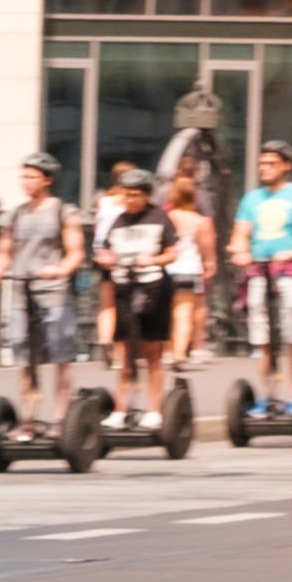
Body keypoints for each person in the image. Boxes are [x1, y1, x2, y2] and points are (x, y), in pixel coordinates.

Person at [0, 151, 87, 439]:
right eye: (23, 176)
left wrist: (60, 269)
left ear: (47, 180)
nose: (25, 181)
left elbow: (75, 252)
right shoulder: (16, 214)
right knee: (25, 358)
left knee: (60, 356)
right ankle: (28, 419)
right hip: (22, 292)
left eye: (31, 177)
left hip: (53, 294)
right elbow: (4, 252)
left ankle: (59, 418)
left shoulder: (63, 212)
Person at [228, 138, 292, 417]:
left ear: (286, 166)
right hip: (259, 272)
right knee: (263, 339)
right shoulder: (252, 199)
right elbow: (240, 235)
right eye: (261, 164)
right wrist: (239, 252)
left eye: (270, 164)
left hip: (288, 274)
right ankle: (266, 395)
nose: (264, 168)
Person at [94, 167, 180, 427]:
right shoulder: (118, 220)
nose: (129, 200)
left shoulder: (159, 217)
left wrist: (151, 260)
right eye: (126, 194)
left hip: (153, 288)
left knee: (152, 352)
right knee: (126, 354)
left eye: (134, 195)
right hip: (124, 289)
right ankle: (121, 410)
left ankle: (154, 410)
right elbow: (104, 252)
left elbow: (172, 252)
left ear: (145, 195)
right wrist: (105, 259)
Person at [165, 174, 220, 368]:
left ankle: (168, 350)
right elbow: (206, 247)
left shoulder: (166, 217)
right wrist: (210, 263)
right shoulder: (200, 221)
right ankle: (180, 353)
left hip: (166, 268)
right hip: (188, 268)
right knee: (184, 313)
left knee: (167, 313)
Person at [94, 161, 137, 362]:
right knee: (124, 305)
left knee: (106, 304)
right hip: (123, 255)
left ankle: (105, 339)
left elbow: (98, 228)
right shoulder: (129, 203)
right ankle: (121, 351)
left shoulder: (104, 201)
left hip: (102, 253)